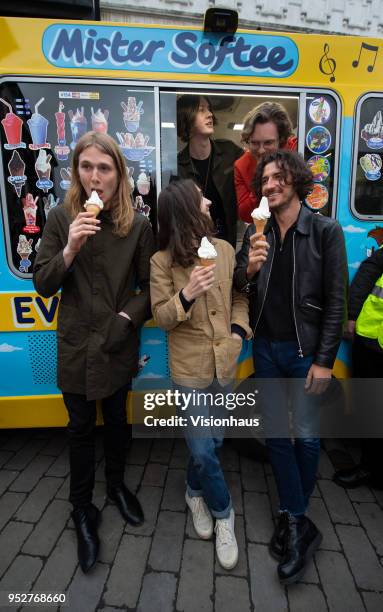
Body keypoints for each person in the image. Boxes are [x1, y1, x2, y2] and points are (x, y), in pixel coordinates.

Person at [33, 131, 155, 573]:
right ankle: (82, 508)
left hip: (118, 343)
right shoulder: (59, 218)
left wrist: (126, 320)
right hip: (75, 344)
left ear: (119, 174)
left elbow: (149, 287)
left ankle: (118, 486)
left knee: (119, 419)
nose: (95, 177)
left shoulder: (138, 225)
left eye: (104, 168)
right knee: (81, 427)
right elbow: (43, 284)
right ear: (75, 172)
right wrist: (70, 248)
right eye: (87, 167)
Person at [234, 150, 347, 584]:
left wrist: (324, 361)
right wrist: (250, 268)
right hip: (265, 348)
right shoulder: (255, 232)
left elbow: (336, 302)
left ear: (296, 181)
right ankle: (296, 516)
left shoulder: (324, 231)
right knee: (277, 435)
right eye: (265, 180)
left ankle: (295, 519)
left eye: (279, 177)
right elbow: (240, 288)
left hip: (304, 352)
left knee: (305, 435)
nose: (271, 185)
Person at [150, 179, 251, 570]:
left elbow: (239, 296)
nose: (210, 202)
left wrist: (239, 332)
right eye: (201, 198)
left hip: (224, 362)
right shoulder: (162, 262)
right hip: (189, 370)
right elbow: (161, 318)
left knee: (217, 441)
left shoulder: (224, 250)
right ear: (186, 211)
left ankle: (193, 492)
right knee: (204, 450)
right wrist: (187, 293)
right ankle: (225, 515)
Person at [333, 245, 383, 489]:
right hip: (371, 340)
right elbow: (367, 275)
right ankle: (371, 468)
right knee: (370, 408)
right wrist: (351, 316)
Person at [177, 94, 242, 247]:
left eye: (209, 109)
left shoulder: (230, 152)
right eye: (201, 110)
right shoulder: (178, 165)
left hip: (229, 239)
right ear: (187, 116)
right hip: (196, 244)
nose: (210, 114)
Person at [234, 101, 297, 223]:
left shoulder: (296, 150)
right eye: (255, 143)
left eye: (268, 143)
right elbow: (245, 214)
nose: (261, 150)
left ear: (282, 140)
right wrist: (261, 177)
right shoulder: (241, 166)